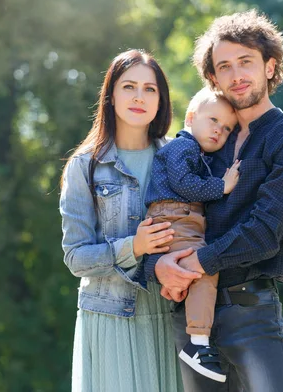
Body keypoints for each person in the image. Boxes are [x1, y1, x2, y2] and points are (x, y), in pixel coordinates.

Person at [144, 10, 283, 391]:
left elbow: (265, 233)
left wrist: (196, 262)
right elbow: (168, 209)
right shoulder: (206, 142)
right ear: (213, 78)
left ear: (270, 65)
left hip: (251, 312)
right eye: (224, 67)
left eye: (246, 61)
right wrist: (157, 266)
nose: (236, 75)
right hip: (189, 319)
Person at [60, 49, 196, 392]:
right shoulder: (84, 166)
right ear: (111, 96)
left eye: (150, 89)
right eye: (129, 87)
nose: (139, 97)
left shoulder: (180, 159)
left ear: (161, 100)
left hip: (172, 318)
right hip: (110, 319)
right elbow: (76, 258)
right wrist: (133, 247)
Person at [144, 87, 240, 383]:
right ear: (190, 117)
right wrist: (222, 186)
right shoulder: (182, 148)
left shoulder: (193, 151)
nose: (218, 131)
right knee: (206, 267)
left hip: (181, 219)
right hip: (176, 216)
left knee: (192, 271)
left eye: (226, 129)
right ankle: (197, 343)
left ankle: (177, 292)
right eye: (213, 120)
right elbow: (184, 184)